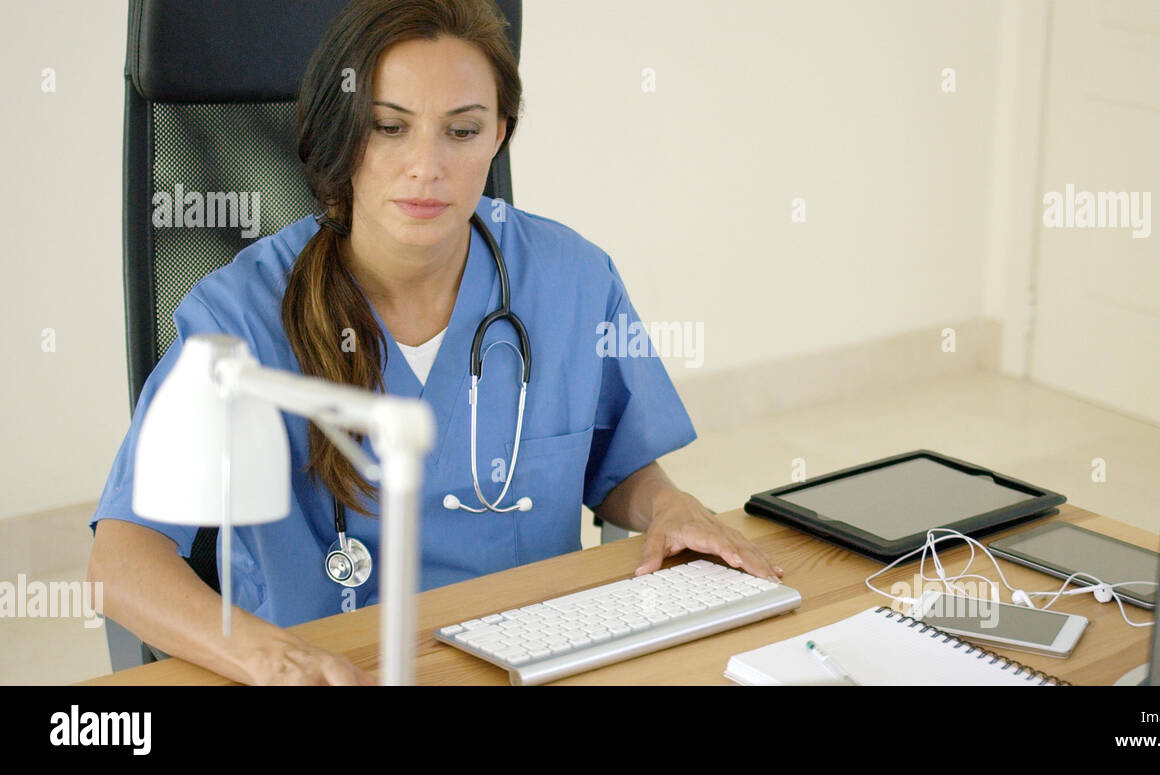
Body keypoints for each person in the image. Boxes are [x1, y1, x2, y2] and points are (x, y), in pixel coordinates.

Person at [87, 0, 781, 686]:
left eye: (462, 131)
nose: (427, 166)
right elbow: (123, 559)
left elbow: (615, 461)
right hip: (340, 671)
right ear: (343, 135)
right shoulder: (241, 315)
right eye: (390, 127)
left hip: (534, 656)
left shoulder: (573, 280)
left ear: (498, 136)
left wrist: (668, 504)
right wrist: (270, 658)